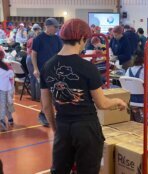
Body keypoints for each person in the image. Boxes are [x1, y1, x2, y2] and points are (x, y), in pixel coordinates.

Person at [40, 18, 127, 174]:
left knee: (59, 170)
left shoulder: (47, 66)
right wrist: (118, 101)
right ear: (82, 38)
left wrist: (56, 129)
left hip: (63, 125)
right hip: (86, 128)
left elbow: (46, 106)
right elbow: (102, 103)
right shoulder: (87, 67)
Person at [31, 18, 63, 127]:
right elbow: (33, 54)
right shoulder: (38, 38)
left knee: (56, 92)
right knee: (45, 93)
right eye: (55, 27)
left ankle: (51, 113)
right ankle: (44, 113)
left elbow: (60, 54)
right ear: (48, 26)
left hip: (55, 70)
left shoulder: (58, 39)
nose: (56, 29)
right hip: (42, 70)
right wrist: (35, 68)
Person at [0, 47, 15, 131]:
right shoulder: (7, 66)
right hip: (7, 88)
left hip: (5, 89)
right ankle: (9, 118)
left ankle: (3, 120)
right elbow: (11, 76)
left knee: (4, 105)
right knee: (6, 105)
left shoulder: (6, 66)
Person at [26, 23, 42, 101]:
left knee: (32, 77)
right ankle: (38, 97)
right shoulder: (38, 39)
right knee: (38, 77)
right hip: (34, 58)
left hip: (28, 58)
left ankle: (33, 96)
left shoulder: (29, 39)